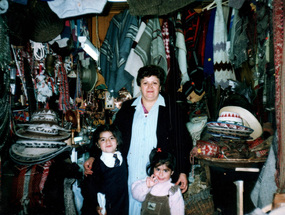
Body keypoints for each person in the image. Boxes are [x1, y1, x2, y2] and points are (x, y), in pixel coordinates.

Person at [84, 65, 192, 214]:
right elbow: (110, 136)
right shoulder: (128, 108)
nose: (150, 87)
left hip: (157, 176)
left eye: (154, 83)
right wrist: (93, 155)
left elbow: (183, 143)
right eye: (145, 82)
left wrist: (183, 171)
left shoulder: (172, 110)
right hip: (129, 173)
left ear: (160, 86)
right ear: (139, 85)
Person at [81, 124, 128, 215]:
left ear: (117, 141)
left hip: (122, 204)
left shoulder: (124, 158)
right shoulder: (96, 164)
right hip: (106, 207)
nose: (108, 142)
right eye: (103, 139)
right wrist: (97, 205)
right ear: (98, 145)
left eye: (111, 138)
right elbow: (90, 188)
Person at [131, 148, 184, 215]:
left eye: (165, 170)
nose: (161, 174)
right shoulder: (148, 182)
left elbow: (178, 211)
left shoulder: (173, 190)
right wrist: (146, 186)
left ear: (172, 172)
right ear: (153, 169)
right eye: (158, 169)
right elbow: (136, 195)